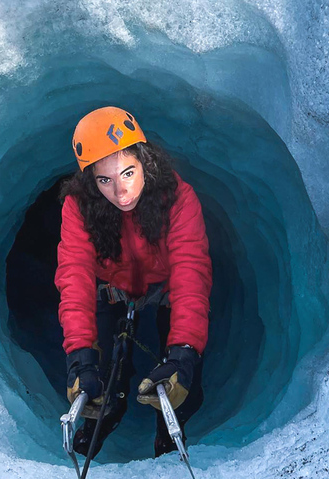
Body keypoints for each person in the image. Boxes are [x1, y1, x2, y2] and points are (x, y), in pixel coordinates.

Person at [55, 106, 212, 458]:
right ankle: (102, 418)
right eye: (104, 180)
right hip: (113, 291)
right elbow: (74, 275)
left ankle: (169, 434)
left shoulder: (177, 199)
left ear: (145, 162)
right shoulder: (78, 207)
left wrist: (185, 351)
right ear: (90, 181)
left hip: (167, 289)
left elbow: (191, 272)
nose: (121, 191)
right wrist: (80, 357)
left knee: (182, 378)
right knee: (106, 373)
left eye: (128, 172)